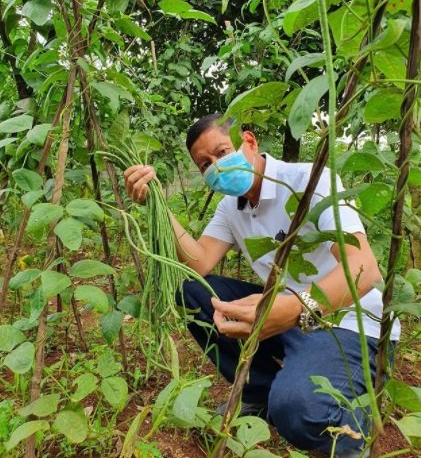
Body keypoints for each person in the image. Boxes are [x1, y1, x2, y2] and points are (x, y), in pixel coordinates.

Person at [124, 113, 400, 457]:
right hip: (285, 313)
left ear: (249, 142)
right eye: (205, 164)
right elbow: (199, 262)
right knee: (194, 291)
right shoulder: (231, 207)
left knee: (297, 409)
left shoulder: (309, 181)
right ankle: (260, 390)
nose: (217, 166)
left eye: (223, 152)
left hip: (345, 320)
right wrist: (158, 207)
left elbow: (365, 268)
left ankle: (347, 433)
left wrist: (297, 309)